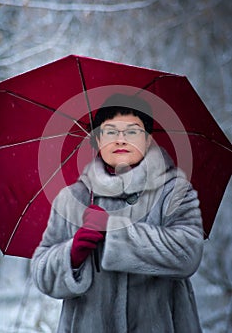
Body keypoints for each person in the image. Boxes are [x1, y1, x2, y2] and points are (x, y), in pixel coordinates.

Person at [31, 93, 204, 333]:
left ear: (147, 139)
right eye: (110, 131)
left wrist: (115, 231)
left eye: (132, 131)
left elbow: (188, 252)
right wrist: (71, 254)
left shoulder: (173, 191)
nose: (121, 140)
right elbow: (42, 273)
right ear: (97, 140)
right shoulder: (73, 199)